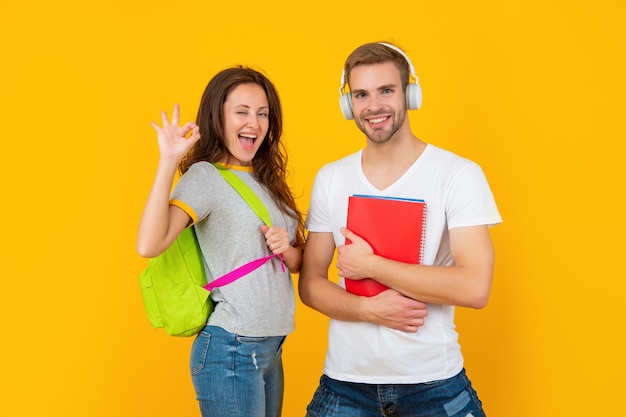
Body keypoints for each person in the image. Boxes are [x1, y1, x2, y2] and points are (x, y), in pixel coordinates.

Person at [299, 42, 502, 417]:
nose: (373, 106)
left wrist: (372, 266)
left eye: (386, 91)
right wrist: (368, 309)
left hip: (433, 382)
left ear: (410, 94)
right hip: (345, 382)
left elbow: (475, 287)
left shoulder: (458, 175)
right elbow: (310, 285)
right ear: (349, 105)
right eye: (361, 94)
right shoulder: (331, 178)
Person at [136, 66, 305, 417]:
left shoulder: (267, 180)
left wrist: (287, 250)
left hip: (271, 349)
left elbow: (298, 262)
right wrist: (167, 162)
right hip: (232, 350)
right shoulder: (206, 177)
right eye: (241, 112)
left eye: (262, 114)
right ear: (218, 117)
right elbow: (149, 244)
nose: (254, 123)